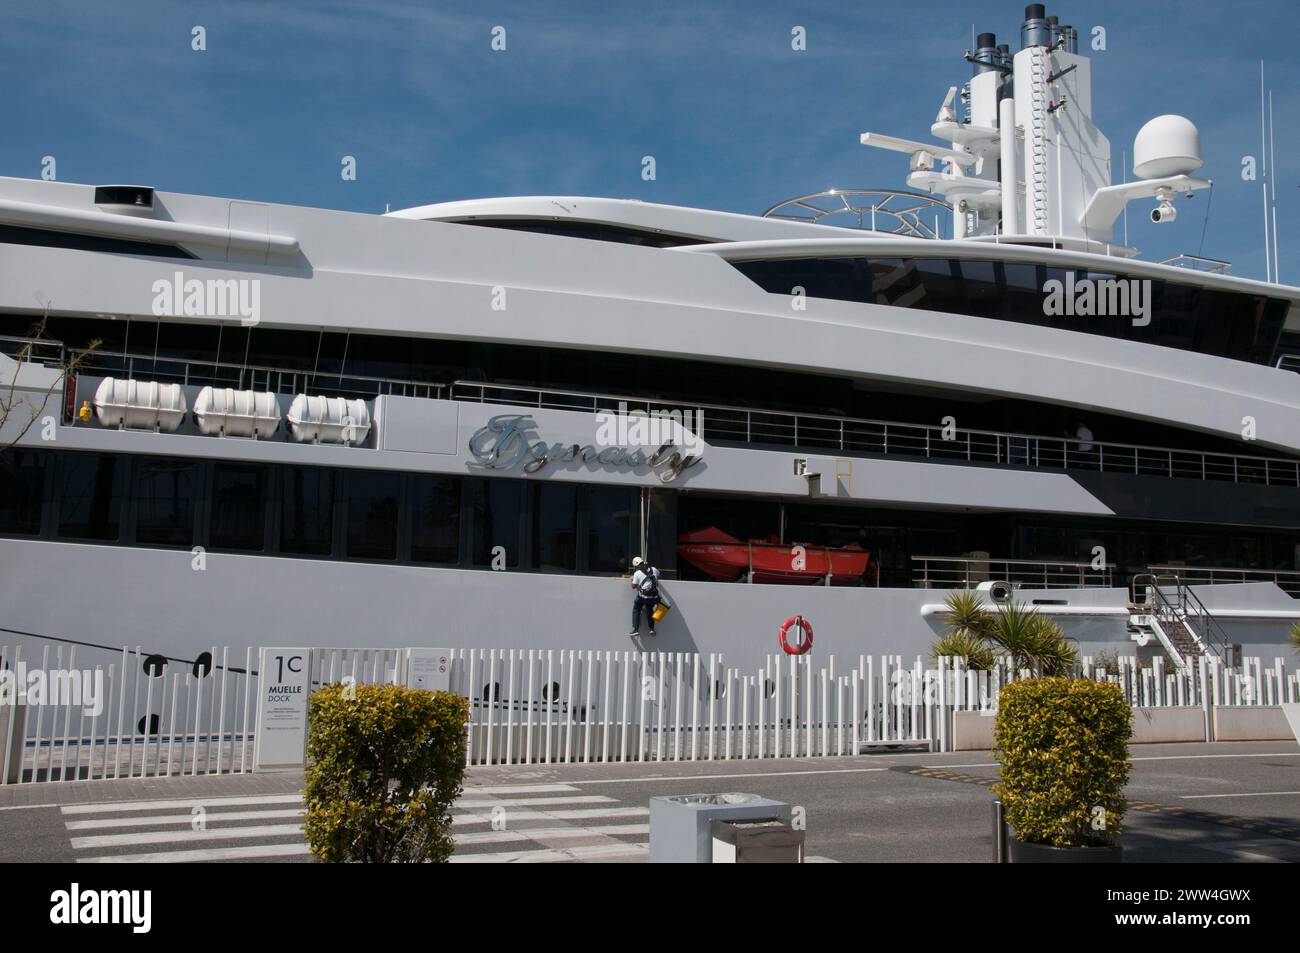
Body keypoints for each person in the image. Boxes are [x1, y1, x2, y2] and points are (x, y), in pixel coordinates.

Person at [628, 556, 661, 637]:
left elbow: (633, 586)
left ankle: (635, 629)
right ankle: (652, 629)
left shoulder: (637, 573)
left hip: (643, 598)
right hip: (654, 597)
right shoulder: (654, 569)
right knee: (650, 610)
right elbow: (658, 575)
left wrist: (632, 579)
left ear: (636, 566)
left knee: (636, 609)